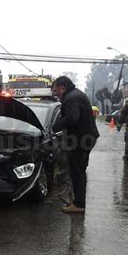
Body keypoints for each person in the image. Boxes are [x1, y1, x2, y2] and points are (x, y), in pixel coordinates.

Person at [52, 76, 99, 214]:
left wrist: (58, 123)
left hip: (80, 140)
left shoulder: (72, 98)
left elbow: (72, 119)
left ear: (63, 88)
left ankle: (79, 204)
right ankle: (78, 200)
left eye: (56, 91)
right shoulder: (75, 95)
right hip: (83, 138)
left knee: (77, 172)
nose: (55, 94)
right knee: (79, 170)